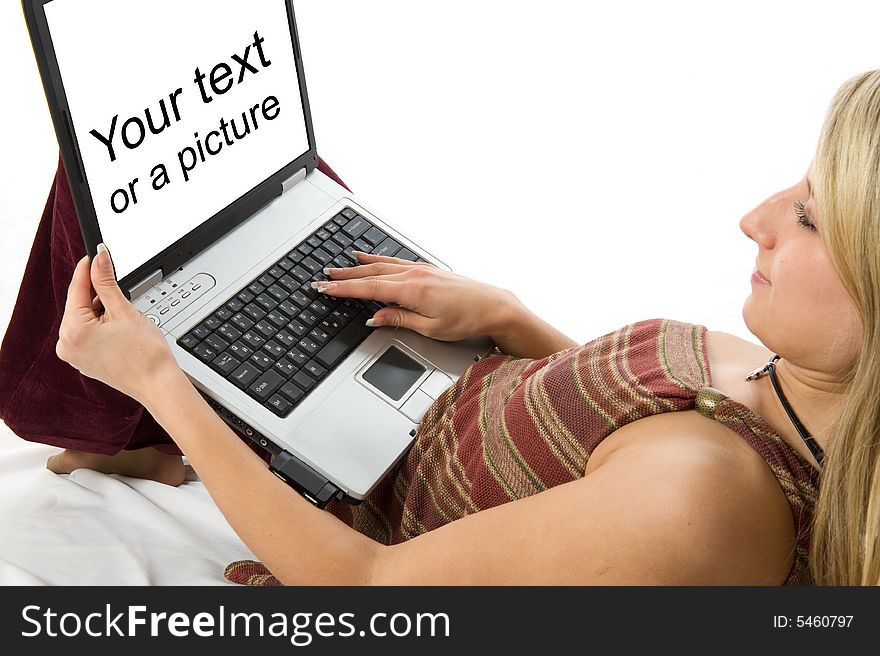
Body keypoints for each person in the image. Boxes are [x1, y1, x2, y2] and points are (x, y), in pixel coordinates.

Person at [8, 69, 880, 586]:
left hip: (364, 469)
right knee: (273, 183)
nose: (754, 218)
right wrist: (504, 315)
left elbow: (370, 585)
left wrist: (158, 378)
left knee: (123, 182)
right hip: (418, 384)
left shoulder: (711, 505)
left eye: (808, 217)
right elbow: (627, 439)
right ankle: (178, 437)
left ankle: (143, 424)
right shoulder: (783, 389)